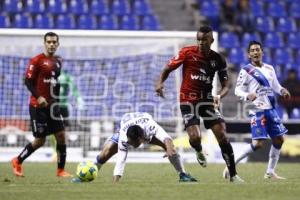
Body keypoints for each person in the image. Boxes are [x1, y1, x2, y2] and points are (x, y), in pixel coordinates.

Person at [155, 25, 243, 183]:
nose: (201, 42)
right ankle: (198, 150)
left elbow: (226, 85)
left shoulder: (218, 59)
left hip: (207, 101)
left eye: (204, 40)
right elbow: (168, 68)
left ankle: (233, 175)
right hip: (188, 100)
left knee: (222, 135)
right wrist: (160, 83)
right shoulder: (187, 52)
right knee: (195, 137)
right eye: (199, 39)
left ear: (212, 40)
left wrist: (218, 96)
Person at [224, 41, 291, 180]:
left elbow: (276, 86)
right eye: (252, 50)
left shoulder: (270, 68)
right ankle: (230, 165)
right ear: (249, 55)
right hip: (257, 110)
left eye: (257, 50)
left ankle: (270, 172)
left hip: (271, 109)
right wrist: (247, 95)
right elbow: (237, 90)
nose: (255, 52)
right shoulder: (246, 71)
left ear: (262, 52)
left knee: (279, 140)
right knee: (258, 144)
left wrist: (282, 90)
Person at [11, 32, 72, 177]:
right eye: (49, 42)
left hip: (52, 106)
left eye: (54, 42)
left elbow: (55, 82)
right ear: (44, 43)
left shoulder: (58, 62)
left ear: (57, 44)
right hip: (38, 107)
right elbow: (27, 81)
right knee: (40, 140)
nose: (51, 44)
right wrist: (38, 97)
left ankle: (61, 170)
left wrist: (56, 101)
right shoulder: (36, 60)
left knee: (61, 136)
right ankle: (17, 161)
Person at [72, 112, 197, 183]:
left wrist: (169, 149)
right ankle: (85, 176)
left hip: (143, 120)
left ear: (142, 138)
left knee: (170, 148)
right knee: (105, 153)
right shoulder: (124, 137)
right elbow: (121, 160)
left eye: (133, 143)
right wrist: (115, 183)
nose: (131, 144)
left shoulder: (151, 127)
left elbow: (167, 138)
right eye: (129, 142)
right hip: (125, 124)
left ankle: (183, 175)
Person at [49, 70, 84, 161]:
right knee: (51, 130)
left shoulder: (67, 77)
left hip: (63, 106)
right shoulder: (50, 76)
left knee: (63, 131)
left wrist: (78, 98)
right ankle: (55, 151)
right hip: (53, 105)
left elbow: (74, 88)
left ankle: (61, 151)